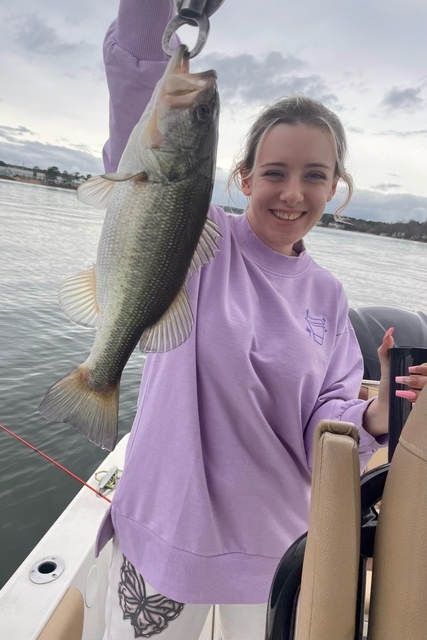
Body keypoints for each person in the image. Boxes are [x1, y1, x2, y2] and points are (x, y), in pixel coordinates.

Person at [95, 1, 427, 638]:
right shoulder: (194, 239)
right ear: (242, 178)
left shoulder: (328, 295)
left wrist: (380, 411)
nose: (293, 193)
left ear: (336, 188)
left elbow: (325, 420)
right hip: (167, 538)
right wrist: (158, 14)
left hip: (280, 554)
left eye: (315, 176)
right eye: (273, 172)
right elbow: (139, 95)